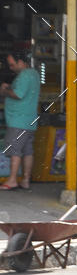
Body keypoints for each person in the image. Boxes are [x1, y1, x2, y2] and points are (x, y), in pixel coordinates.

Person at [0, 52, 41, 191]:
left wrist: (5, 90)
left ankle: (12, 180)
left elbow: (18, 94)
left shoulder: (24, 75)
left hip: (18, 120)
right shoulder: (34, 74)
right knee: (27, 151)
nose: (11, 68)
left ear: (21, 62)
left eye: (13, 64)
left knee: (15, 151)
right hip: (29, 120)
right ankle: (25, 180)